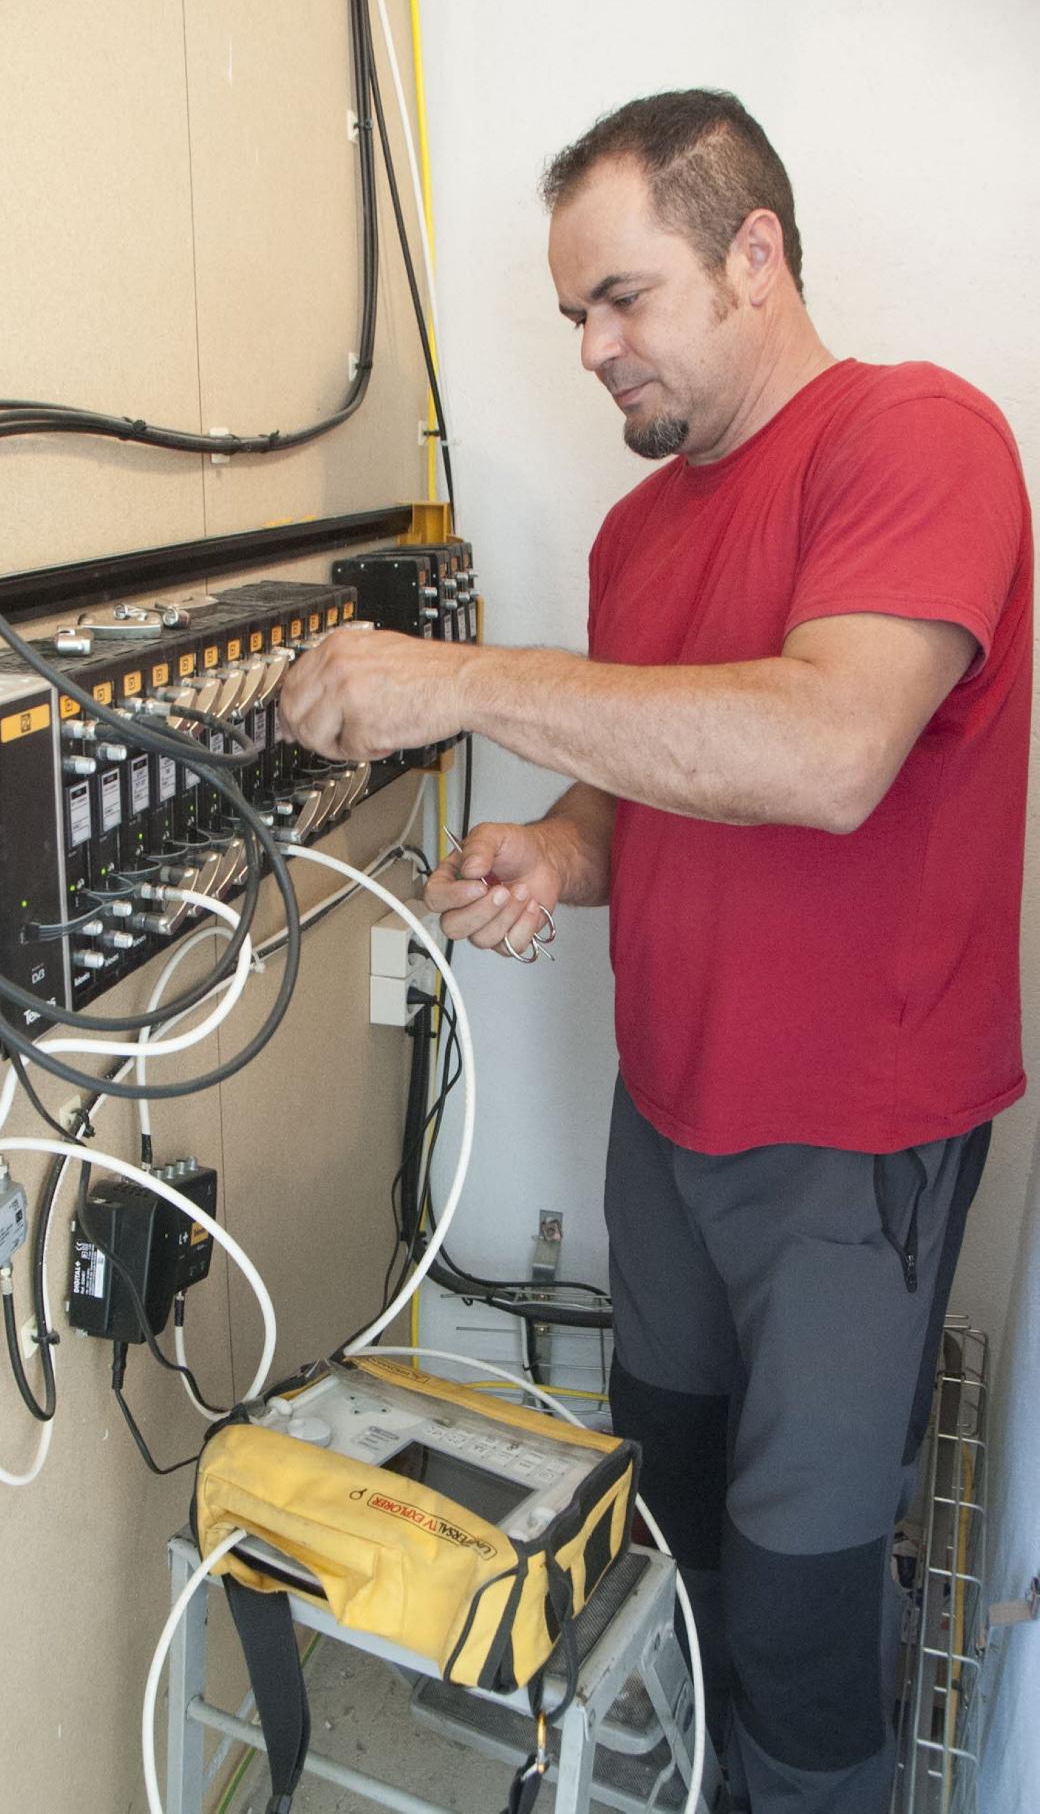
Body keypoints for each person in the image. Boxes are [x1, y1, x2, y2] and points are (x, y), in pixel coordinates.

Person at [278, 89, 1033, 1813]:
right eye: (572, 317)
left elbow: (829, 751)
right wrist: (552, 843)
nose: (593, 348)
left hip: (852, 1150)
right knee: (677, 1503)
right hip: (670, 1126)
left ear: (754, 252)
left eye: (622, 298)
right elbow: (661, 785)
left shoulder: (916, 439)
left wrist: (460, 681)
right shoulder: (643, 533)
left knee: (804, 1588)